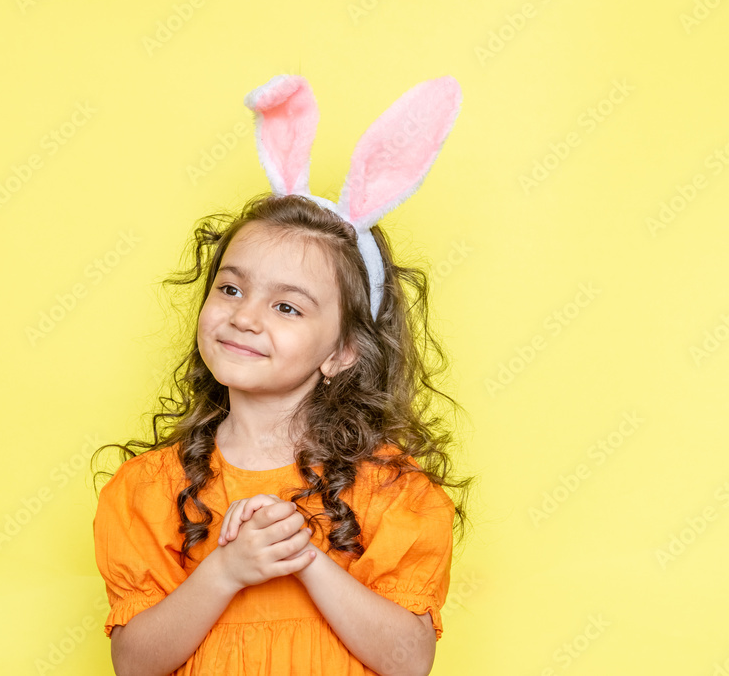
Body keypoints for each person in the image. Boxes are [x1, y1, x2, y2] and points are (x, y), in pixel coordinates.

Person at [92, 74, 474, 676]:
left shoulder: (389, 488)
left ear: (343, 351)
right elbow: (135, 664)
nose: (244, 316)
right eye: (231, 288)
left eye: (287, 306)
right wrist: (227, 569)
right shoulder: (148, 490)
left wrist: (306, 558)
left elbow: (409, 662)